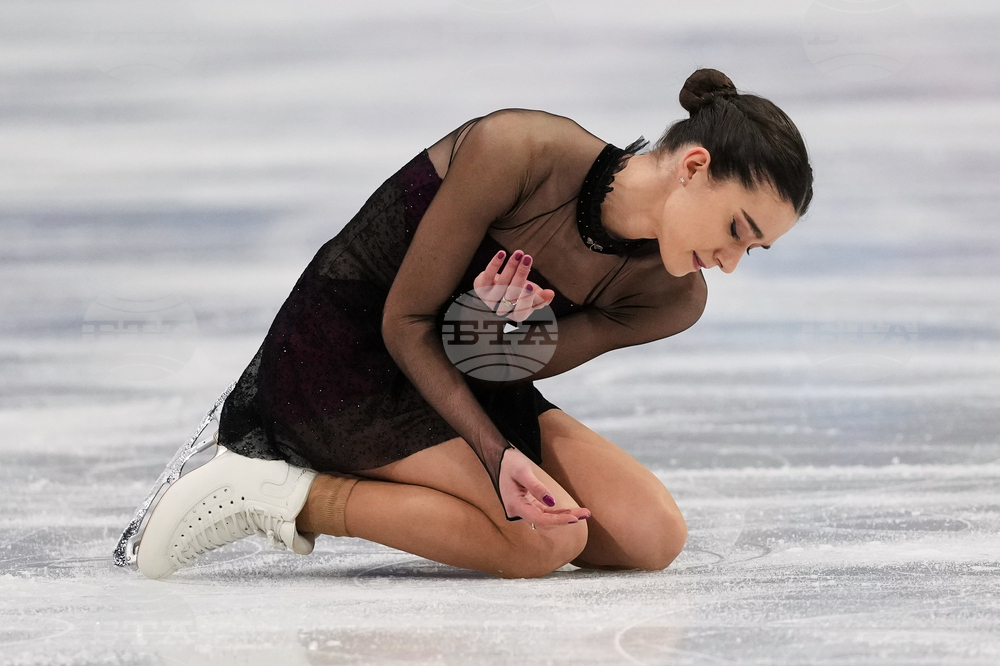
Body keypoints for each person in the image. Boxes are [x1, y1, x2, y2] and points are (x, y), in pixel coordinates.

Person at [135, 68, 813, 580]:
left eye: (751, 251)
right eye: (735, 230)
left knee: (651, 536)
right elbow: (403, 322)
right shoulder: (520, 150)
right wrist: (497, 456)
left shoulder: (671, 298)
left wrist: (485, 334)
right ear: (694, 167)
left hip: (459, 379)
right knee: (542, 543)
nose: (729, 263)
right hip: (344, 357)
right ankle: (286, 495)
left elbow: (507, 371)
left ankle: (405, 478)